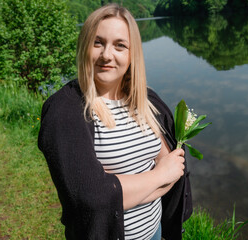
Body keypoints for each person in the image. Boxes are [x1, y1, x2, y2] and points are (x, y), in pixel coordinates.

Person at [38, 3, 192, 240]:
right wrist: (159, 176)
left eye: (120, 45)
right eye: (97, 42)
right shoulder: (65, 111)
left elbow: (173, 164)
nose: (106, 55)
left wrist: (118, 186)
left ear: (132, 55)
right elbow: (91, 200)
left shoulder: (146, 101)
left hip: (154, 232)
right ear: (84, 46)